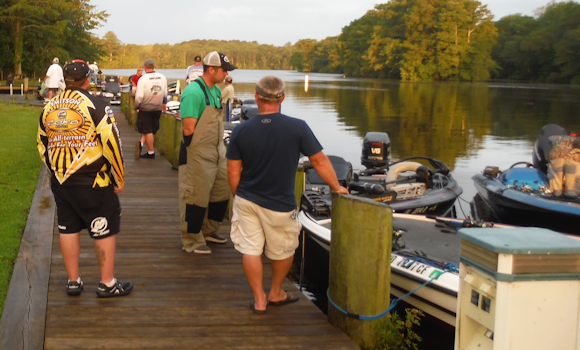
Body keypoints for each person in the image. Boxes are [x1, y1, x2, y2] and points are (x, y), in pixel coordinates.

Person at [226, 76, 349, 313]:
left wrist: (237, 197)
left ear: (256, 96)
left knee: (250, 249)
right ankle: (275, 292)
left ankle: (259, 298)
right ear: (282, 98)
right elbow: (319, 161)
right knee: (283, 249)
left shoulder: (241, 130)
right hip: (281, 203)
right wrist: (335, 187)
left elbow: (232, 169)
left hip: (247, 199)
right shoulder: (298, 127)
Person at [37, 59, 133, 298]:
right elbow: (112, 141)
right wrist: (117, 177)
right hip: (93, 179)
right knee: (104, 228)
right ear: (87, 80)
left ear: (65, 81)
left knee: (67, 227)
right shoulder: (96, 104)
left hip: (61, 178)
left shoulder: (49, 106)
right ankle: (107, 283)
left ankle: (73, 281)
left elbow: (41, 143)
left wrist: (54, 169)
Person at [178, 51, 236, 254]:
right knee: (196, 196)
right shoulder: (194, 92)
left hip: (217, 150)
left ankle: (208, 230)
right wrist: (199, 150)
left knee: (221, 192)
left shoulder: (217, 91)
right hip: (197, 153)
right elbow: (188, 128)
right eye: (224, 70)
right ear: (211, 69)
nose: (226, 74)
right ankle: (192, 239)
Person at [134, 59, 167, 160]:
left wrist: (137, 106)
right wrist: (164, 104)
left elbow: (139, 96)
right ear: (154, 66)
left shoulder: (143, 79)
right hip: (157, 107)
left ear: (144, 67)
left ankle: (151, 152)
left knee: (147, 129)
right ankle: (141, 143)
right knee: (150, 129)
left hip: (146, 107)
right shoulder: (162, 77)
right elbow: (165, 93)